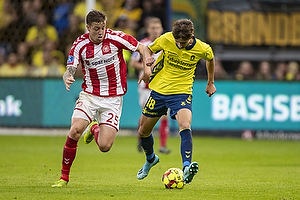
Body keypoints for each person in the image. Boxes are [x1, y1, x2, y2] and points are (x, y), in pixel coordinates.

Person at [52, 10, 147, 188]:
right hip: (90, 95)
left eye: (103, 27)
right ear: (88, 27)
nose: (101, 31)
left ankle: (94, 128)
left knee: (104, 146)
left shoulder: (116, 37)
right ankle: (64, 178)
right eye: (96, 28)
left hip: (113, 98)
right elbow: (70, 66)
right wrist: (68, 76)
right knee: (74, 131)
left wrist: (147, 65)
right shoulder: (80, 44)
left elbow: (140, 47)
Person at [136, 18, 216, 184]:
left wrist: (210, 82)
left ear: (191, 36)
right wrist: (147, 66)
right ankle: (150, 159)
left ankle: (186, 167)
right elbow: (146, 49)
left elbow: (210, 58)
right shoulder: (166, 39)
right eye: (177, 42)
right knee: (143, 131)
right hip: (158, 91)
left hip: (181, 93)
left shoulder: (202, 48)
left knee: (185, 125)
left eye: (184, 42)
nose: (180, 45)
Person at [130, 17, 171, 154]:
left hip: (163, 85)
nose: (155, 30)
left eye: (157, 27)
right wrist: (147, 66)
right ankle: (141, 139)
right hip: (146, 86)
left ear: (161, 29)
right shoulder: (143, 44)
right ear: (148, 30)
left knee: (164, 115)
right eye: (152, 28)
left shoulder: (167, 43)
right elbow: (133, 63)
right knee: (147, 115)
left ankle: (162, 146)